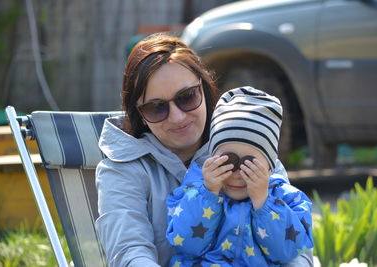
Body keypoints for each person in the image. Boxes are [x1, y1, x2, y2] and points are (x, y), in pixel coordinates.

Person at [95, 33, 314, 267]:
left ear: (204, 89)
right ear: (140, 115)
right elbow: (129, 252)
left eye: (186, 97)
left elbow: (297, 254)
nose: (177, 117)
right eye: (156, 108)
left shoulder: (251, 148)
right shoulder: (121, 171)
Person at [166, 87, 313, 266]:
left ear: (269, 168)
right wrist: (208, 193)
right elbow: (186, 244)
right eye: (228, 161)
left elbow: (286, 253)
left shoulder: (286, 197)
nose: (237, 174)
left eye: (249, 165)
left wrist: (263, 201)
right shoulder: (195, 188)